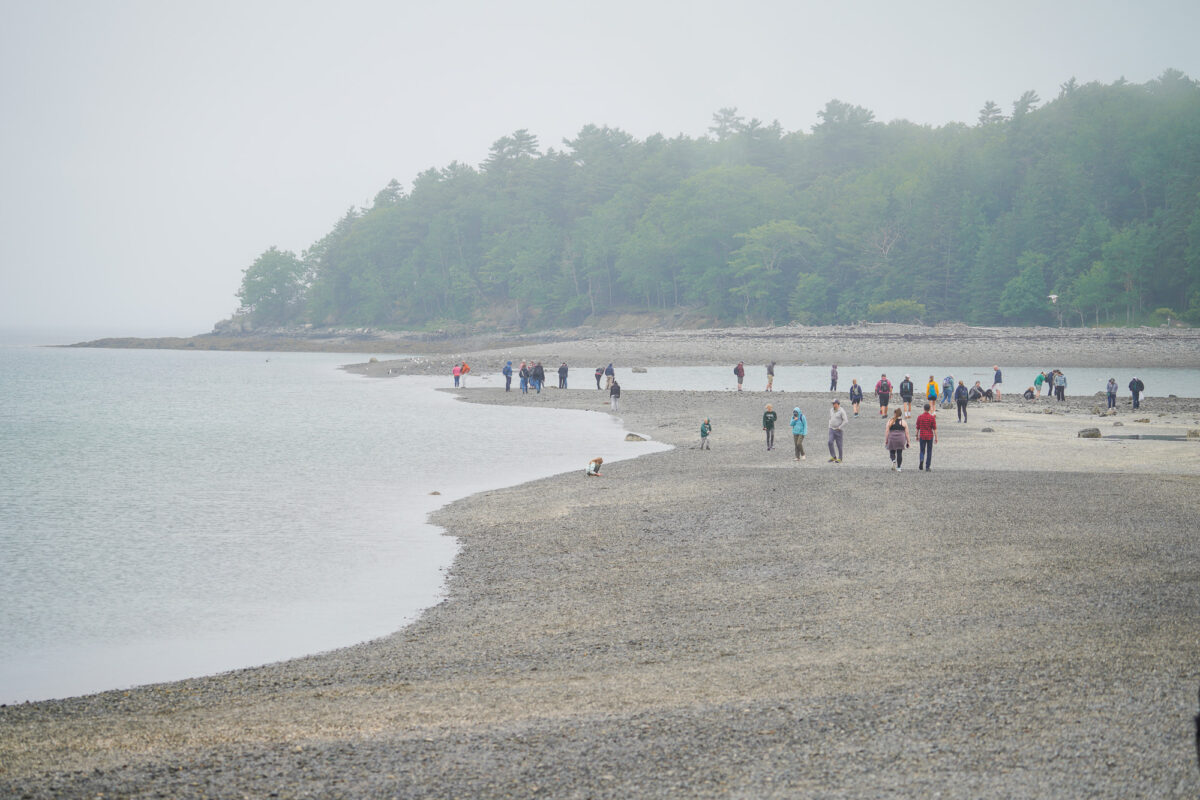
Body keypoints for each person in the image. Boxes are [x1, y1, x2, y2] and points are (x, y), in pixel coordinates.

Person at [915, 402, 938, 471]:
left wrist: (916, 435)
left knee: (922, 450)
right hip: (929, 435)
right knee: (929, 451)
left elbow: (917, 427)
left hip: (922, 435)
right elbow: (934, 428)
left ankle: (921, 459)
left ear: (924, 409)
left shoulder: (920, 417)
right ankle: (927, 466)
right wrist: (936, 437)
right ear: (929, 409)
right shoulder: (932, 417)